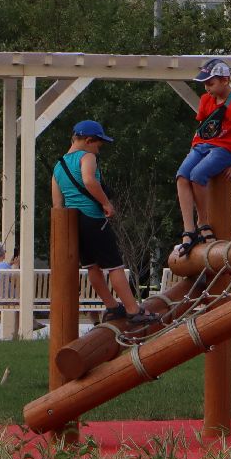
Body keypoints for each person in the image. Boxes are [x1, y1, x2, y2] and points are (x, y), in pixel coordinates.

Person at [53, 120, 159, 327]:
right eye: (98, 145)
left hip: (75, 222)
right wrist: (106, 203)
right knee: (114, 265)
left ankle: (111, 307)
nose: (98, 150)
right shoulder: (87, 156)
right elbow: (89, 180)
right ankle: (133, 310)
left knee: (92, 266)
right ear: (88, 140)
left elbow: (57, 204)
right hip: (93, 218)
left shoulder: (58, 166)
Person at [175, 58, 231, 256]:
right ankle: (188, 230)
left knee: (197, 175)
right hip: (200, 146)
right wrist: (193, 149)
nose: (207, 88)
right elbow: (203, 128)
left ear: (225, 80)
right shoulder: (206, 100)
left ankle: (203, 222)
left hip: (223, 150)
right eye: (205, 83)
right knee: (182, 176)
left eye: (211, 83)